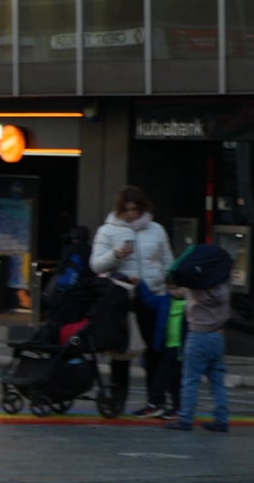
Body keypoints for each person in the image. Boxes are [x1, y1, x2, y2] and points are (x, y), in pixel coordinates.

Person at [90, 186, 175, 418]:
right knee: (121, 351)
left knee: (155, 350)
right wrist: (116, 255)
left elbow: (168, 261)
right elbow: (96, 265)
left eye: (135, 209)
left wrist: (164, 280)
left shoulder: (157, 230)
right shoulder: (107, 231)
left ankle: (155, 401)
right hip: (123, 298)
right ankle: (117, 401)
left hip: (153, 296)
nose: (131, 214)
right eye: (127, 210)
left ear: (143, 208)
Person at [169, 252, 234, 434]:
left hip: (198, 335)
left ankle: (186, 419)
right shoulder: (224, 287)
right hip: (218, 335)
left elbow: (178, 284)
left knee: (191, 379)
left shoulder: (196, 288)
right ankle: (222, 419)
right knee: (217, 381)